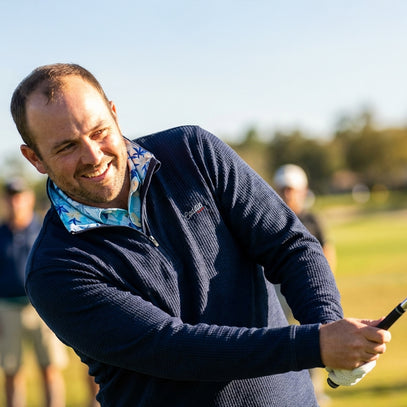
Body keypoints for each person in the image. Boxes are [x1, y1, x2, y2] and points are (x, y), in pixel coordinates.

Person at [9, 63, 391, 407]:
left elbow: (288, 244)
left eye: (99, 131)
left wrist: (327, 324)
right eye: (67, 147)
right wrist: (315, 345)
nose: (93, 155)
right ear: (35, 159)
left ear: (114, 112)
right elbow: (172, 347)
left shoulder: (192, 152)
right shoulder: (54, 269)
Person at [0, 177, 67, 407]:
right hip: (7, 310)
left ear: (28, 199)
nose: (15, 202)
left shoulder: (45, 229)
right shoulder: (0, 234)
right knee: (11, 371)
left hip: (43, 310)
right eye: (11, 197)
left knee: (49, 368)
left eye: (19, 196)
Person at [273, 164, 336, 406]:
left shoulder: (311, 219)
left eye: (291, 189)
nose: (287, 194)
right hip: (277, 288)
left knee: (313, 336)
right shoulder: (273, 217)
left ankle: (315, 392)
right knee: (280, 336)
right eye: (282, 189)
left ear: (302, 190)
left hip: (307, 287)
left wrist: (326, 282)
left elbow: (326, 249)